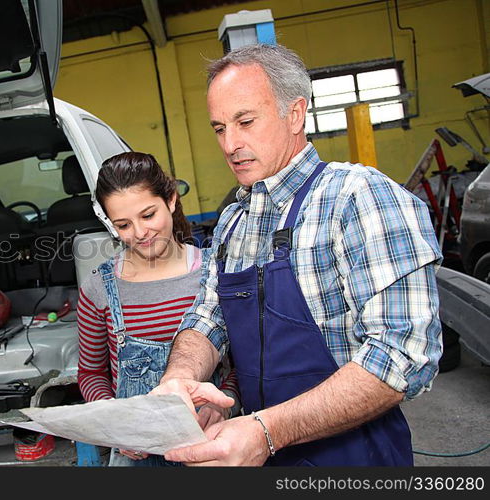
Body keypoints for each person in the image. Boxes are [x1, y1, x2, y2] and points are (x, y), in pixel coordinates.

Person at [151, 43, 443, 466]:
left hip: (356, 458)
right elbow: (208, 317)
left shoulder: (358, 198)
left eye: (245, 121)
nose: (231, 144)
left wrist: (267, 431)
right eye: (219, 128)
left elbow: (402, 355)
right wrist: (181, 380)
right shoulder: (234, 220)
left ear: (295, 113)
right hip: (257, 454)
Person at [76, 152, 239, 466]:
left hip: (214, 446)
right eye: (123, 224)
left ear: (172, 200)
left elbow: (241, 365)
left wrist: (222, 405)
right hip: (135, 458)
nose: (139, 233)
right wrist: (115, 423)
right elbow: (91, 374)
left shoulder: (214, 274)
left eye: (148, 215)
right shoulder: (99, 289)